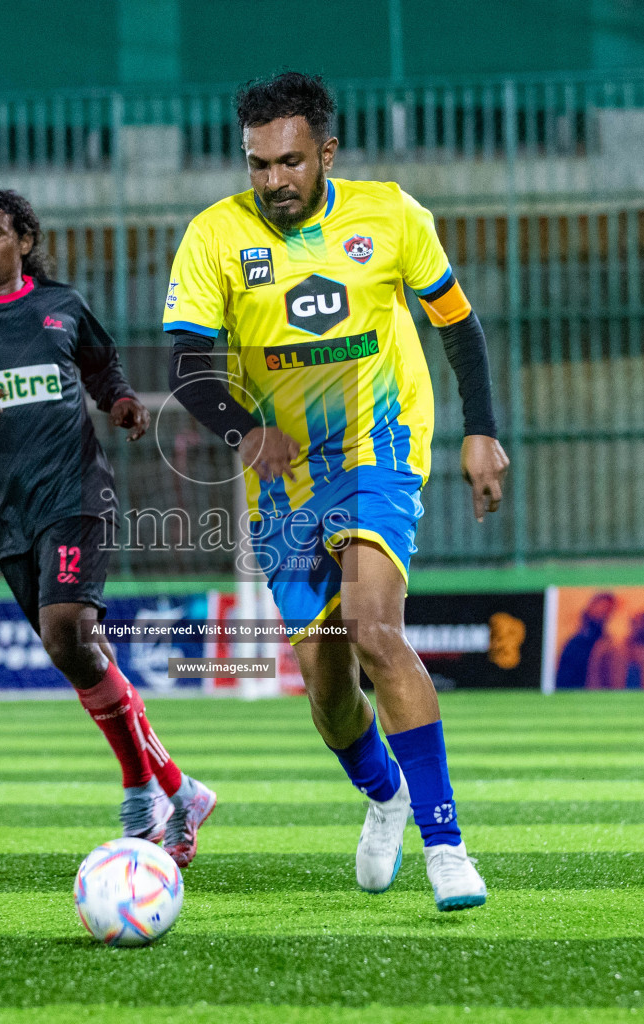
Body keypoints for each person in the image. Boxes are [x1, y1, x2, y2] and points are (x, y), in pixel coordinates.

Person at [165, 73, 508, 911]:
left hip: (379, 448)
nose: (273, 181)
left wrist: (480, 429)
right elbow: (185, 362)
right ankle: (384, 793)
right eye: (257, 165)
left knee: (373, 625)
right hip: (284, 479)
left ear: (327, 151)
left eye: (289, 162)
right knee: (325, 688)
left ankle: (446, 844)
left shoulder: (392, 216)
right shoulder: (213, 237)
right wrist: (247, 430)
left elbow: (457, 324)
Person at [0, 185, 215, 866]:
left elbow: (102, 367)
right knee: (69, 650)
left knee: (69, 628)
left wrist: (122, 401)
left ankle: (146, 789)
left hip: (76, 495)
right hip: (11, 515)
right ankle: (172, 789)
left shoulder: (61, 307)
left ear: (24, 241)